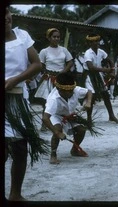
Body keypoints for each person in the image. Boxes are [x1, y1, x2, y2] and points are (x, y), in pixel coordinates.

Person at [5, 7, 48, 201]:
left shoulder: (22, 35)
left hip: (17, 98)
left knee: (20, 147)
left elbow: (36, 64)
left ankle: (15, 194)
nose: (5, 18)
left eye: (6, 12)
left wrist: (15, 80)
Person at [42, 72, 93, 164]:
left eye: (71, 91)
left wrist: (88, 102)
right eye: (67, 91)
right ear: (59, 89)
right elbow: (45, 118)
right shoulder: (53, 99)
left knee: (81, 130)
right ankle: (53, 154)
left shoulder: (75, 90)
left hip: (71, 114)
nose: (70, 93)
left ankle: (74, 149)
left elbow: (89, 92)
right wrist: (57, 133)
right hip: (56, 115)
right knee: (57, 129)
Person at [34, 27, 74, 131]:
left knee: (63, 100)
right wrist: (44, 73)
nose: (56, 39)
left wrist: (64, 71)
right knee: (47, 102)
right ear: (49, 38)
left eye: (58, 37)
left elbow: (70, 62)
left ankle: (64, 122)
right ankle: (45, 123)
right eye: (54, 37)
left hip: (61, 79)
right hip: (49, 79)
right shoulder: (44, 51)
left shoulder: (63, 50)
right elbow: (40, 64)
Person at [83, 34, 118, 124]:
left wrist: (112, 70)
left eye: (97, 41)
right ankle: (89, 118)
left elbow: (109, 60)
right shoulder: (88, 53)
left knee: (105, 95)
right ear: (90, 43)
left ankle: (111, 115)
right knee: (91, 96)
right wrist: (104, 70)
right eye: (93, 41)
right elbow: (90, 67)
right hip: (89, 76)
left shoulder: (100, 51)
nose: (96, 43)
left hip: (98, 75)